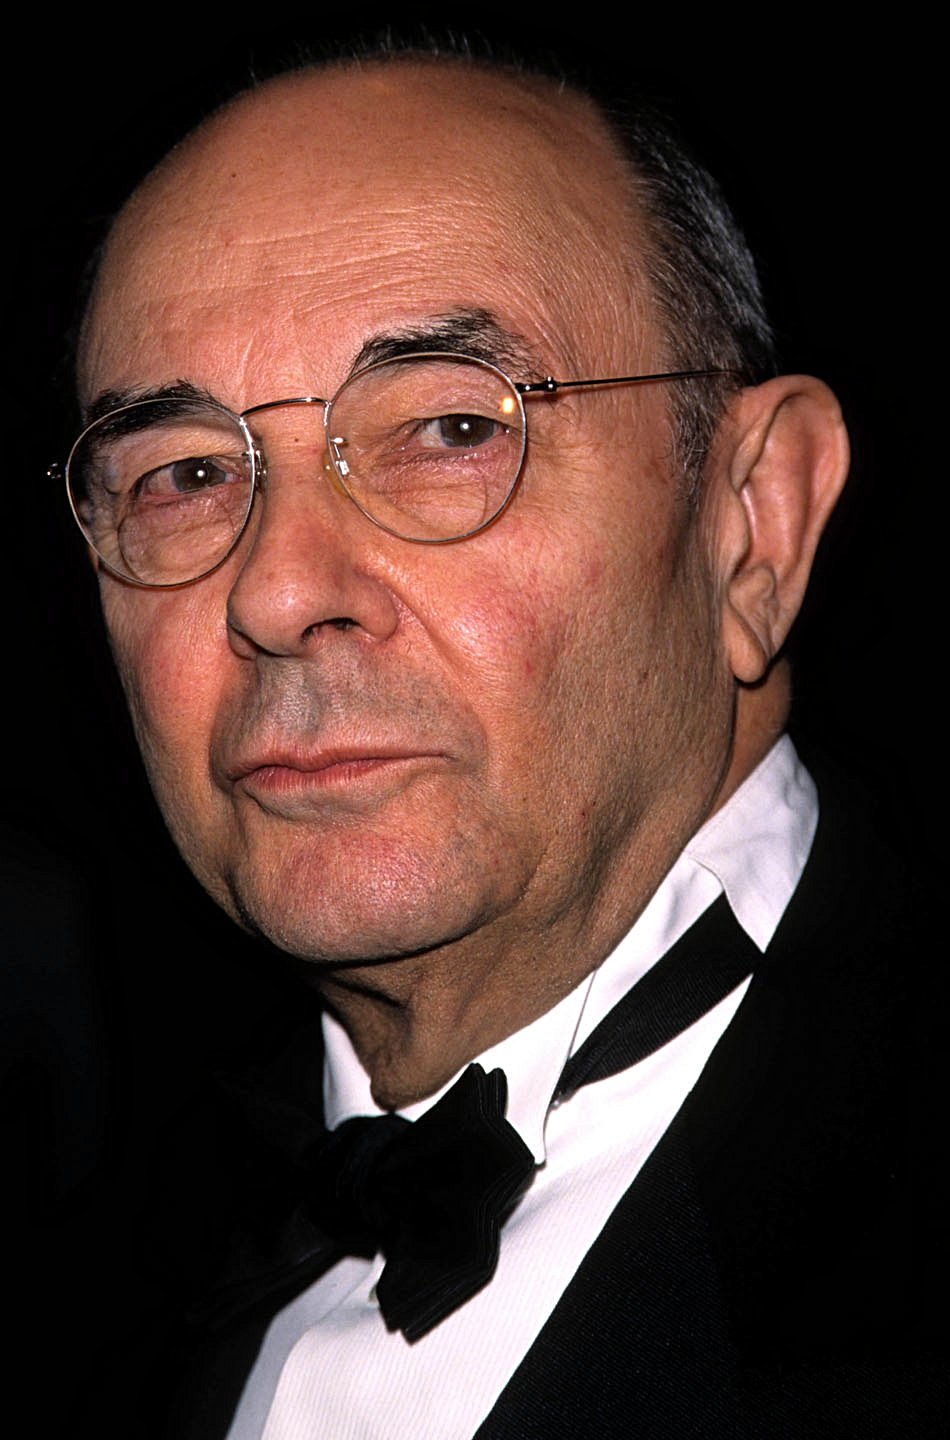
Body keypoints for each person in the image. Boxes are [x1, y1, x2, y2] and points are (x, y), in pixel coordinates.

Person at [58, 47, 944, 1439]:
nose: (276, 591)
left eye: (450, 428)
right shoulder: (90, 1273)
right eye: (184, 475)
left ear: (753, 522)